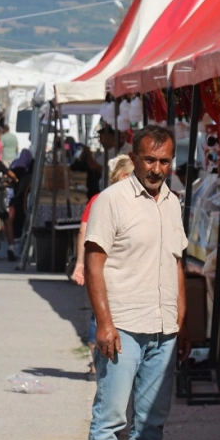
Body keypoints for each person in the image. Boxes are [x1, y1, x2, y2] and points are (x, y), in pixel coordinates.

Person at [82, 125, 192, 440]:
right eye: (150, 159)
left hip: (163, 326)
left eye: (164, 161)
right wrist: (104, 323)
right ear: (134, 156)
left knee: (151, 422)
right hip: (124, 325)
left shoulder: (172, 203)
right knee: (111, 418)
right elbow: (94, 262)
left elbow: (176, 261)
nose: (157, 168)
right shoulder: (111, 201)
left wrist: (183, 318)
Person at [72, 155, 133, 377]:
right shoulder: (128, 201)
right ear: (125, 176)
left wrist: (80, 263)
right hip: (115, 267)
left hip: (97, 264)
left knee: (97, 313)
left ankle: (96, 363)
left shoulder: (98, 198)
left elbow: (83, 231)